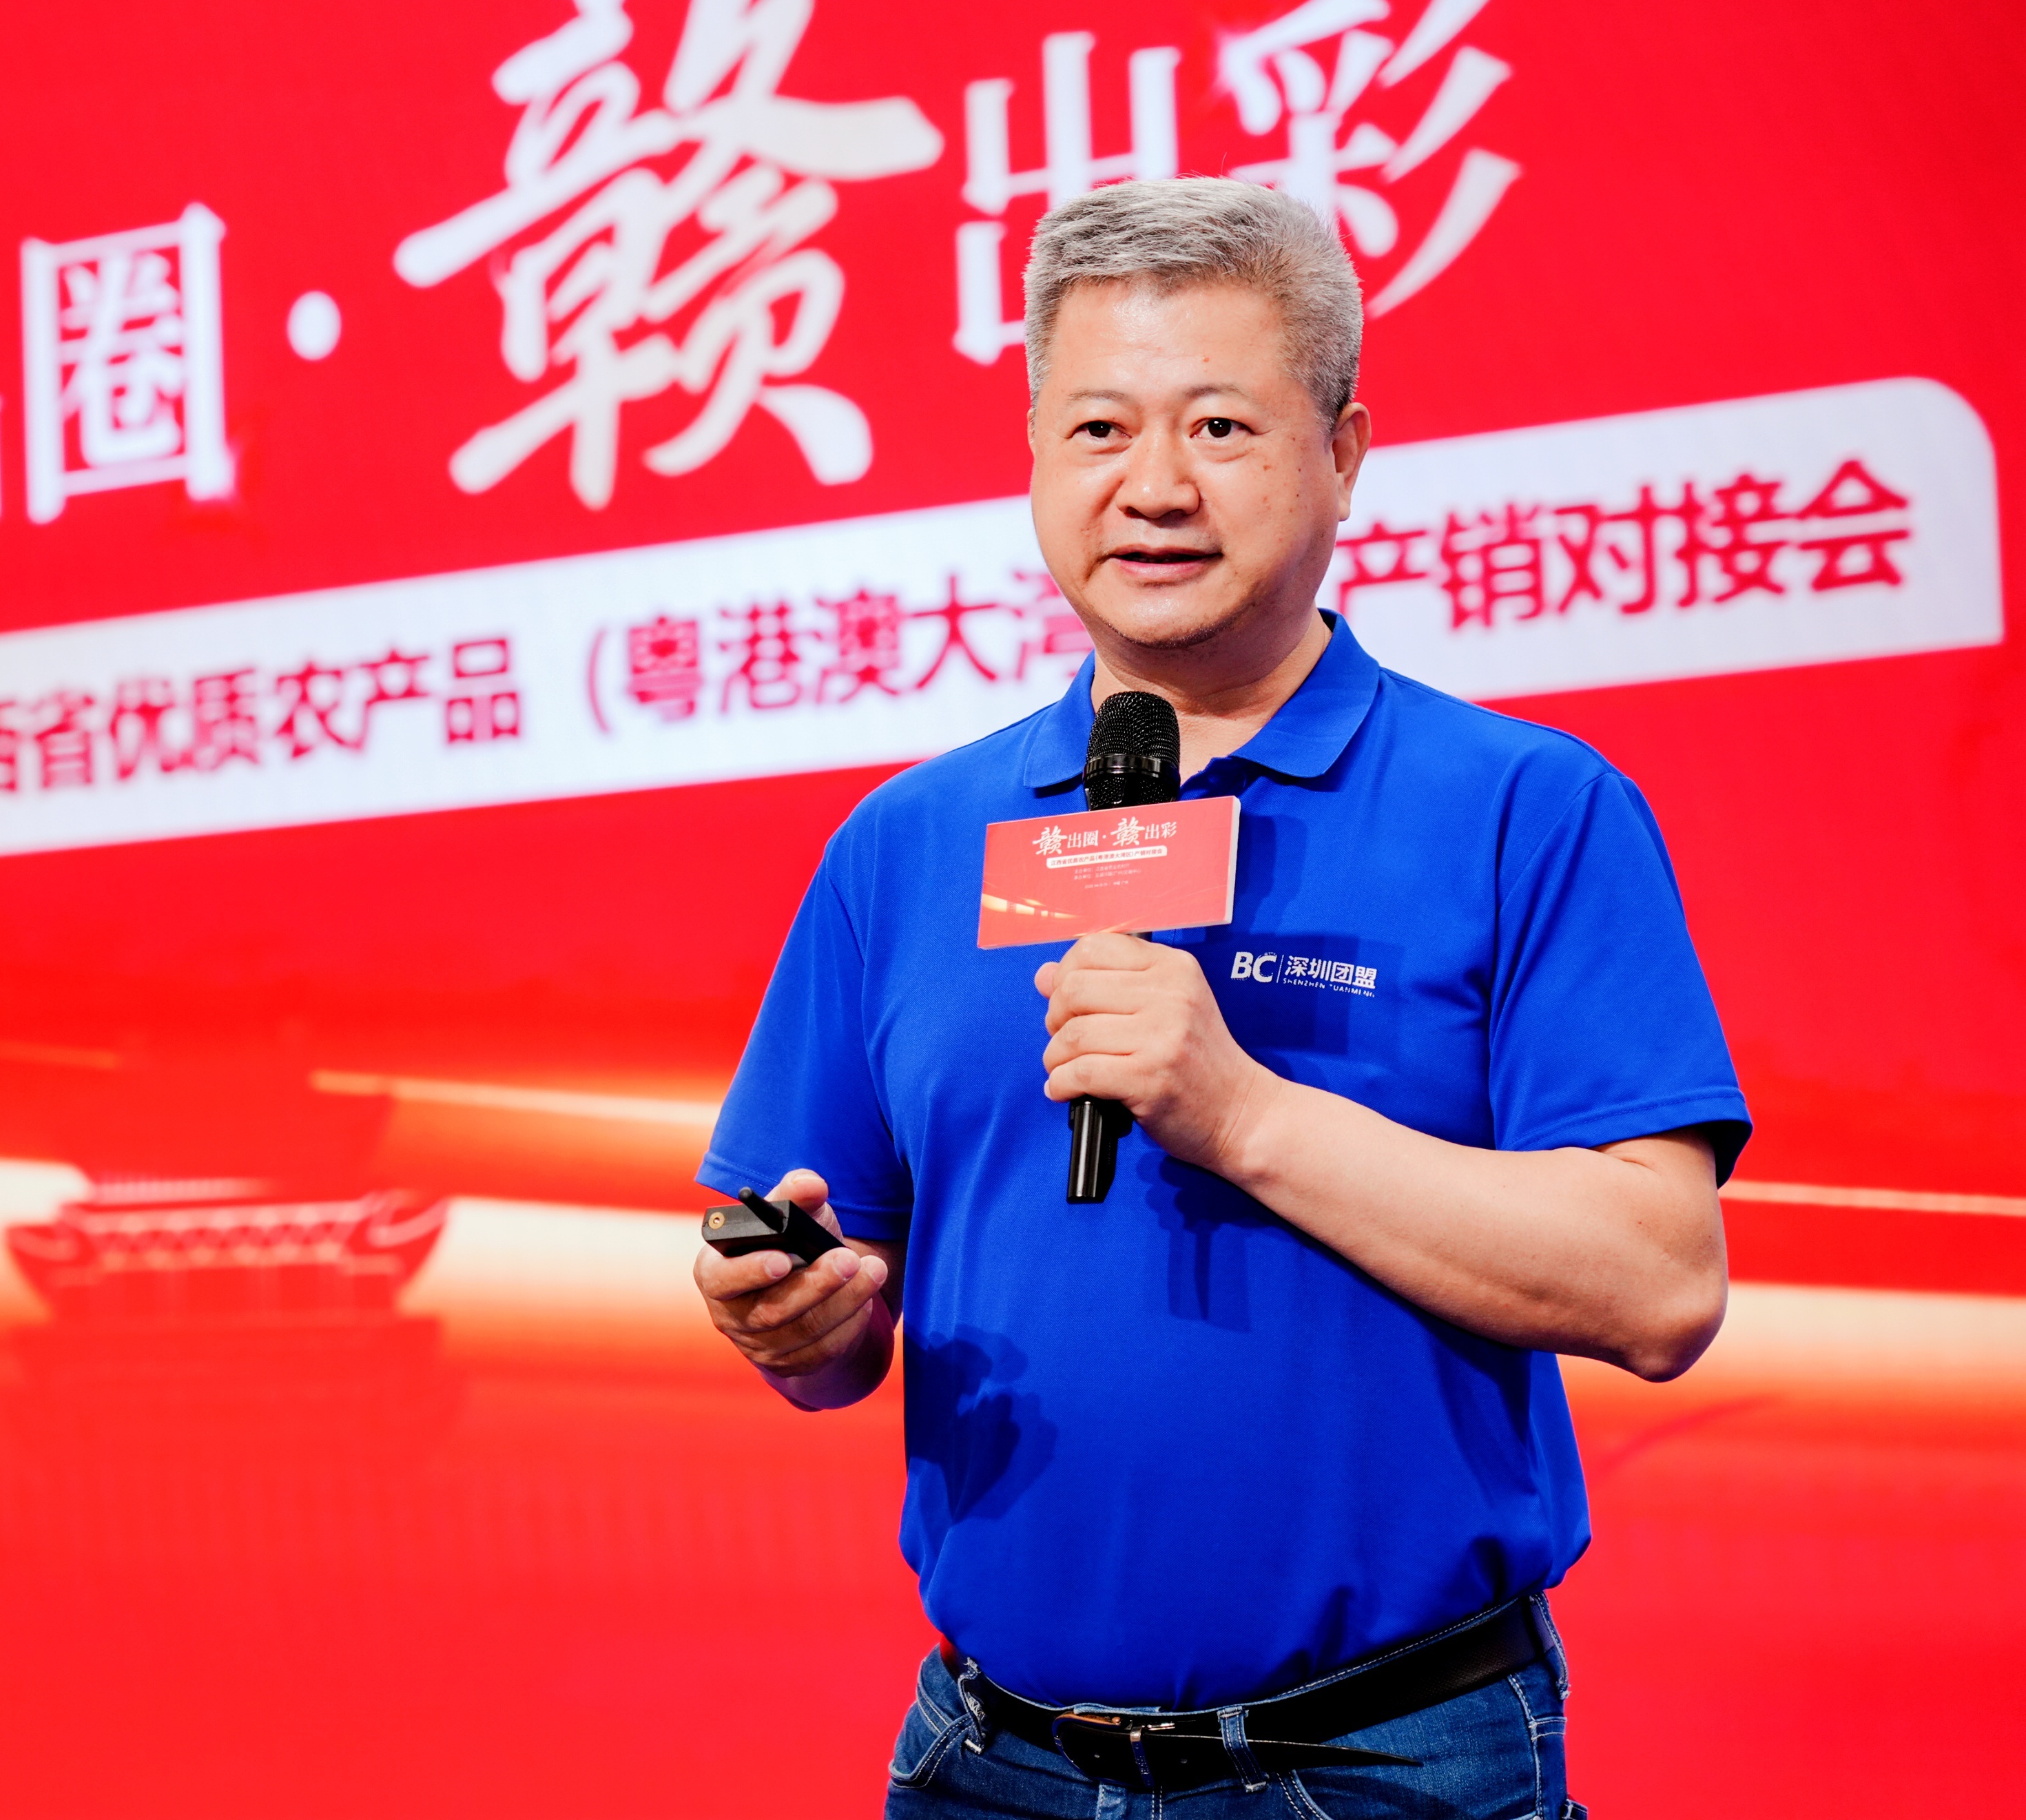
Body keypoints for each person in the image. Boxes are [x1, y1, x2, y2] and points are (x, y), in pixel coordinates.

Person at [692, 177, 1746, 1820]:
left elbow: (1661, 1285)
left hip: (1385, 1763)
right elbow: (833, 1322)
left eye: (1223, 428)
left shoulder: (1526, 808)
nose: (1156, 487)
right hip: (990, 1759)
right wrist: (792, 1315)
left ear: (1345, 453)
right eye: (1099, 429)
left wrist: (1244, 1113)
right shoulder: (905, 844)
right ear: (1034, 455)